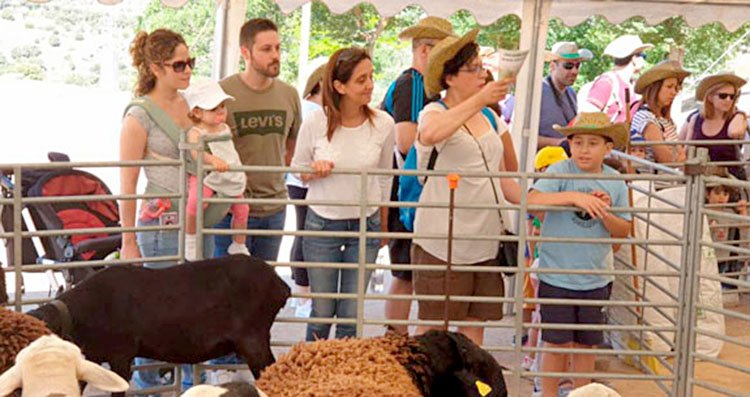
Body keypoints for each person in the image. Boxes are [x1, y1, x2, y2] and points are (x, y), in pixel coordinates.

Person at [412, 29, 521, 346]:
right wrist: (478, 100)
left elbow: (507, 173)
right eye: (472, 68)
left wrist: (554, 199)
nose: (482, 74)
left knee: (476, 324)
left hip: (485, 239)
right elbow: (431, 134)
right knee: (435, 329)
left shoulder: (490, 116)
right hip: (442, 242)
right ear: (449, 77)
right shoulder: (434, 112)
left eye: (481, 66)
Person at [119, 28, 205, 392]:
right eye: (179, 64)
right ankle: (148, 386)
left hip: (189, 220)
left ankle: (184, 384)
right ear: (156, 67)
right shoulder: (139, 115)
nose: (187, 71)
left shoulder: (187, 104)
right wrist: (129, 240)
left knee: (188, 311)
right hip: (158, 225)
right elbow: (127, 182)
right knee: (156, 314)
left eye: (190, 63)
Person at [292, 47, 395, 341]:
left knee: (351, 313)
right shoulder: (315, 122)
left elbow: (386, 178)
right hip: (322, 223)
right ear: (339, 86)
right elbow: (297, 168)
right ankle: (313, 374)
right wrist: (313, 170)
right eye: (361, 79)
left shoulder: (383, 124)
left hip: (367, 223)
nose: (370, 85)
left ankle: (343, 380)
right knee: (322, 311)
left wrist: (383, 225)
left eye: (371, 77)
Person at [527, 112, 632, 396]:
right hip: (556, 275)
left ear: (607, 148)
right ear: (569, 144)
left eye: (593, 143)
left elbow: (621, 232)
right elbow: (532, 200)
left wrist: (604, 213)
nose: (584, 149)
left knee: (587, 346)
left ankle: (580, 394)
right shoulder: (559, 172)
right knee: (556, 344)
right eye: (578, 142)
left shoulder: (615, 181)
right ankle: (547, 393)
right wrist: (575, 197)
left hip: (596, 278)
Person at [379, 16, 454, 335]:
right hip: (407, 190)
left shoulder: (426, 87)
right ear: (425, 51)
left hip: (418, 190)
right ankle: (396, 338)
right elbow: (406, 140)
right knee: (406, 270)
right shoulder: (413, 84)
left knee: (415, 268)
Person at [216, 18, 302, 260]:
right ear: (246, 52)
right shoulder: (223, 93)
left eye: (278, 48)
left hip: (274, 208)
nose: (275, 55)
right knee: (227, 290)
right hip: (230, 209)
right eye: (266, 49)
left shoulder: (289, 95)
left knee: (264, 290)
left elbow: (291, 146)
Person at [183, 81, 250, 261]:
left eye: (223, 106)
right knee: (195, 202)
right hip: (206, 175)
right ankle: (190, 239)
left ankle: (238, 244)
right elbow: (196, 153)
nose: (221, 111)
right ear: (197, 112)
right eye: (214, 108)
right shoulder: (196, 132)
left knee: (242, 209)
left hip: (228, 173)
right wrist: (211, 159)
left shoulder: (225, 128)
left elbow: (229, 151)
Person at [287, 63, 325, 317]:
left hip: (301, 179)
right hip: (305, 179)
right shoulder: (312, 112)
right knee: (304, 233)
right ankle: (302, 292)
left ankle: (302, 291)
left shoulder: (307, 108)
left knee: (303, 231)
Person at [680, 72, 748, 180]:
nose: (728, 100)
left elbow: (735, 132)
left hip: (729, 182)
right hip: (700, 181)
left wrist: (739, 114)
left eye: (732, 96)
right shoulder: (696, 119)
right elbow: (686, 150)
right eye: (723, 96)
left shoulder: (737, 118)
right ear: (710, 97)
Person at [579, 35, 653, 123]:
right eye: (643, 56)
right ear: (634, 59)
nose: (644, 60)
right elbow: (586, 119)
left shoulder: (634, 85)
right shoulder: (607, 82)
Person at [630, 60, 691, 164]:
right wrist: (677, 155)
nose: (674, 92)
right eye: (669, 87)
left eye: (676, 88)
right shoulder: (645, 117)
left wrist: (678, 155)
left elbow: (681, 154)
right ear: (655, 88)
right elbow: (666, 159)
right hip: (649, 178)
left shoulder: (665, 120)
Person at [538, 42, 592, 149]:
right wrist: (558, 143)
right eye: (568, 66)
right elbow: (521, 134)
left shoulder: (571, 93)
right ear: (553, 66)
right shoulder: (538, 91)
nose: (574, 71)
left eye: (577, 66)